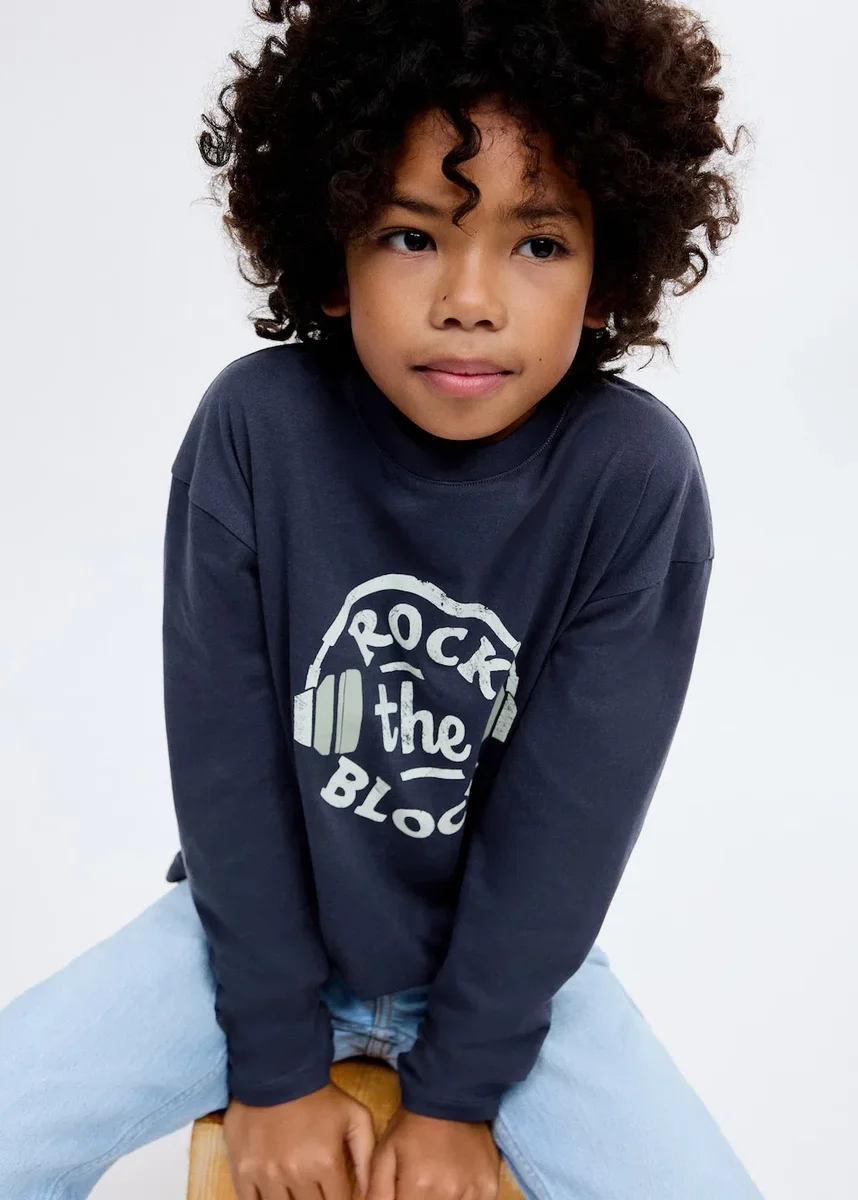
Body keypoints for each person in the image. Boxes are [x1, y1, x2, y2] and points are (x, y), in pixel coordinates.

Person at [0, 1, 764, 1197]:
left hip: (515, 978)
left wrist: (457, 1097)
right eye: (413, 236)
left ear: (608, 275)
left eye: (538, 244)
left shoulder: (633, 477)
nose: (470, 298)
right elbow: (225, 768)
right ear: (331, 256)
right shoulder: (258, 429)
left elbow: (566, 828)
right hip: (247, 943)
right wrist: (274, 1065)